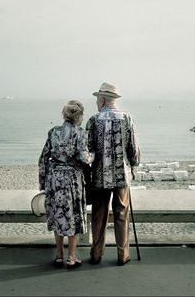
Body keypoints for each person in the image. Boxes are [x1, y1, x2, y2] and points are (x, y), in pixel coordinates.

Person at [86, 82, 141, 266]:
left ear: (102, 100)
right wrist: (133, 165)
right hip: (121, 176)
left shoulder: (93, 120)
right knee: (121, 214)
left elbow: (88, 150)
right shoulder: (127, 118)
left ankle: (96, 254)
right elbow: (133, 148)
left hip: (99, 176)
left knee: (99, 214)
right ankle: (122, 255)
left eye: (97, 99)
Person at [38, 100, 94, 269]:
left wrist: (42, 182)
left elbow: (43, 159)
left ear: (64, 115)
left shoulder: (53, 132)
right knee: (73, 217)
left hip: (54, 179)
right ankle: (72, 257)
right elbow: (85, 159)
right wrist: (93, 155)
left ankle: (59, 256)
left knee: (57, 216)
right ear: (79, 116)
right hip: (72, 180)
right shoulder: (81, 133)